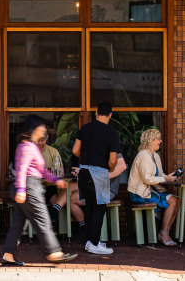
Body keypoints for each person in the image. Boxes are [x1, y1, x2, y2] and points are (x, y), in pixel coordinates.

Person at [2, 115, 78, 266]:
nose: (44, 130)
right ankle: (54, 252)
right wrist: (22, 189)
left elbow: (41, 170)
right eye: (41, 127)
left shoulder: (30, 146)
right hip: (30, 188)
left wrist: (56, 180)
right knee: (43, 220)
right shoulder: (27, 147)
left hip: (28, 187)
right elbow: (22, 169)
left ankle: (8, 255)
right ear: (34, 130)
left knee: (18, 225)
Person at [72, 102, 122, 255]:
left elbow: (75, 150)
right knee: (99, 208)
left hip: (84, 171)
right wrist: (106, 167)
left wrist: (87, 159)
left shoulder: (84, 129)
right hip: (99, 172)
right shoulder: (112, 134)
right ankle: (94, 243)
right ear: (110, 115)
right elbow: (113, 160)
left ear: (96, 113)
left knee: (89, 207)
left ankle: (90, 241)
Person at [128, 128, 180, 247]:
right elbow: (147, 178)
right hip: (139, 194)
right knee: (172, 201)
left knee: (177, 200)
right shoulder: (143, 155)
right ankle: (163, 234)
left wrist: (168, 176)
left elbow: (159, 175)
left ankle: (164, 232)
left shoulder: (155, 156)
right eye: (158, 139)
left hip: (149, 191)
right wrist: (165, 179)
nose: (160, 141)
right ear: (150, 140)